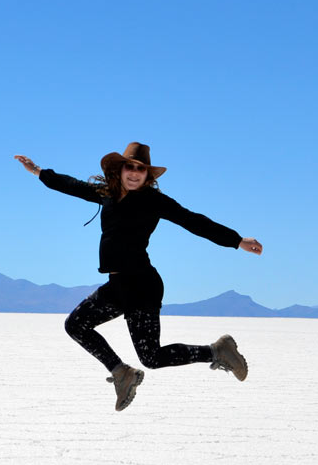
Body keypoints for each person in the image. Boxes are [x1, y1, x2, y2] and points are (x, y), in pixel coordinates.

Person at [14, 143, 263, 411]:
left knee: (152, 357)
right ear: (120, 170)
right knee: (75, 325)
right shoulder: (107, 194)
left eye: (140, 169)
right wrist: (38, 171)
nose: (134, 173)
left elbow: (193, 221)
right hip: (117, 286)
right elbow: (72, 185)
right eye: (129, 167)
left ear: (148, 176)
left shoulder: (153, 201)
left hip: (142, 285)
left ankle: (217, 351)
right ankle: (122, 373)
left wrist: (236, 240)